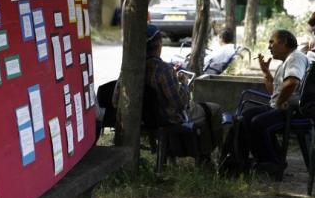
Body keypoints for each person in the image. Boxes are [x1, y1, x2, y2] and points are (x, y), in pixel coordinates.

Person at [112, 24, 223, 159]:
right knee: (214, 109)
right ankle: (211, 157)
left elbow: (115, 101)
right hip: (166, 119)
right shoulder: (163, 70)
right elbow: (180, 103)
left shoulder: (128, 69)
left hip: (141, 119)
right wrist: (184, 84)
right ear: (159, 45)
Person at [240, 29, 308, 175]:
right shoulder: (285, 62)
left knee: (258, 123)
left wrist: (280, 101)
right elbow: (274, 93)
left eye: (272, 42)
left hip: (293, 111)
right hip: (279, 107)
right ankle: (242, 163)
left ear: (283, 42)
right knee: (245, 117)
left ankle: (273, 163)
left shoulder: (295, 57)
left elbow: (292, 82)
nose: (269, 46)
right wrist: (266, 73)